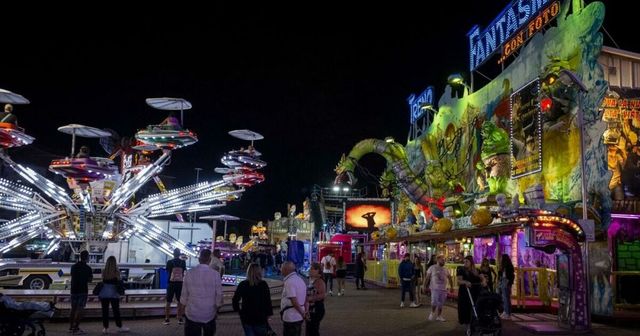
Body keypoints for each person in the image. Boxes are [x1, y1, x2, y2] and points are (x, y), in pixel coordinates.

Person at [180, 249, 223, 336]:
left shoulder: (189, 273)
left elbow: (184, 295)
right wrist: (217, 308)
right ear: (210, 260)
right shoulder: (215, 274)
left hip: (192, 313)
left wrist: (181, 310)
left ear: (199, 259)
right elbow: (219, 295)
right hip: (209, 313)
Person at [232, 263, 273, 336]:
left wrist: (239, 311)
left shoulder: (243, 284)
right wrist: (269, 313)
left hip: (247, 316)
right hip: (260, 317)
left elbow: (235, 299)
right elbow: (267, 301)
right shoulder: (263, 284)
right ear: (259, 272)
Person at [98, 256, 129, 334]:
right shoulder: (116, 272)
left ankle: (105, 328)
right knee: (116, 311)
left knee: (105, 311)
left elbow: (102, 280)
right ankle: (119, 326)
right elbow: (119, 282)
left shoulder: (104, 271)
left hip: (104, 294)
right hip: (114, 294)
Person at [69, 250, 93, 335]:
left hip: (73, 290)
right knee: (80, 309)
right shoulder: (88, 268)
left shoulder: (73, 267)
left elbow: (72, 275)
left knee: (73, 309)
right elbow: (90, 280)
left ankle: (71, 326)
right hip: (83, 290)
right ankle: (76, 328)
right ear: (87, 258)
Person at [424, 255, 454, 321]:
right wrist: (425, 286)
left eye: (444, 260)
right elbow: (427, 278)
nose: (443, 261)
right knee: (434, 302)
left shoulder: (445, 269)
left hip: (443, 289)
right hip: (434, 288)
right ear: (438, 260)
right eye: (442, 260)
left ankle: (439, 316)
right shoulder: (432, 267)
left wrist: (452, 287)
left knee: (441, 303)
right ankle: (432, 312)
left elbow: (450, 278)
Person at [280, 261, 306, 336]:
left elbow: (294, 300)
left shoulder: (289, 281)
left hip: (291, 316)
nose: (280, 269)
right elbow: (305, 297)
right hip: (298, 315)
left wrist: (303, 313)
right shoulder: (299, 279)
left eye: (281, 268)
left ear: (286, 269)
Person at [457, 255, 481, 332]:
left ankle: (475, 324)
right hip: (465, 292)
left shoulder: (476, 270)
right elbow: (459, 281)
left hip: (475, 292)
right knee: (466, 309)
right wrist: (465, 282)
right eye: (464, 261)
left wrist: (483, 280)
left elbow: (481, 277)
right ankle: (468, 327)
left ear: (471, 262)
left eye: (466, 261)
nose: (465, 263)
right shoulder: (461, 270)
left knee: (475, 308)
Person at [164, 248, 186, 325]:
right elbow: (183, 272)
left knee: (168, 301)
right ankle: (179, 318)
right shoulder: (183, 262)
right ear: (179, 254)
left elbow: (167, 271)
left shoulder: (169, 262)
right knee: (179, 301)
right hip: (179, 283)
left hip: (171, 283)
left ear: (173, 254)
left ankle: (167, 319)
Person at [306, 262, 326, 336]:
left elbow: (322, 295)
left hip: (317, 308)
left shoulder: (319, 281)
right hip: (311, 308)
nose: (310, 270)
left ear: (318, 270)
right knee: (310, 329)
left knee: (313, 329)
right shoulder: (311, 280)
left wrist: (310, 298)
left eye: (312, 269)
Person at [498, 254, 515, 319]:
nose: (500, 259)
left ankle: (507, 312)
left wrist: (508, 282)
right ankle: (506, 311)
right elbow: (500, 274)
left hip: (507, 282)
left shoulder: (509, 266)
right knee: (505, 297)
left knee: (506, 298)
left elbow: (511, 276)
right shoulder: (503, 266)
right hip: (503, 281)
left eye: (501, 258)